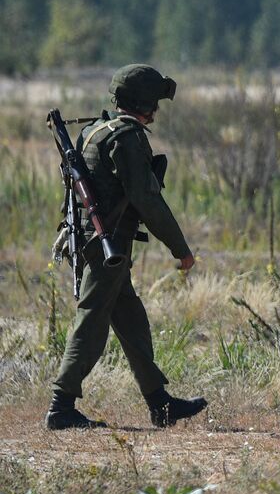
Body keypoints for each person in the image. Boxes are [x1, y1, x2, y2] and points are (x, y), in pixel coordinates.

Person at [45, 64, 208, 430]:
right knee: (91, 321)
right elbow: (147, 200)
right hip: (106, 247)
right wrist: (180, 249)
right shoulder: (127, 138)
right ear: (144, 102)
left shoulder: (95, 131)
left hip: (92, 241)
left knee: (132, 321)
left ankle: (159, 402)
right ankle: (61, 406)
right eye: (155, 102)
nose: (157, 110)